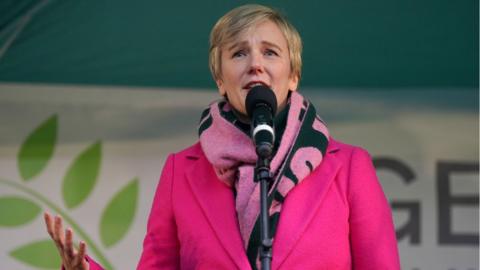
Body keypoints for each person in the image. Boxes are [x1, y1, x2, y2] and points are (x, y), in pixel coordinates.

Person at [44, 4, 401, 269]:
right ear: (220, 78)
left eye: (270, 52)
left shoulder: (350, 166)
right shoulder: (180, 172)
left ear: (293, 76)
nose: (255, 63)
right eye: (239, 53)